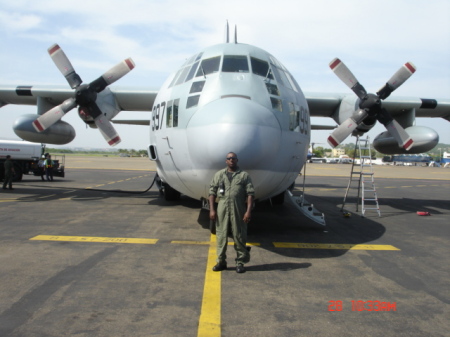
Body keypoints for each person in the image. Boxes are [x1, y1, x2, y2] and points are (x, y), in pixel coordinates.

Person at [209, 152, 255, 273]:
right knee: (221, 236)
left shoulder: (244, 176)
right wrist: (212, 209)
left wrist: (248, 212)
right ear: (226, 161)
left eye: (233, 158)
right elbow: (212, 193)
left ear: (237, 160)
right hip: (222, 207)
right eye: (229, 158)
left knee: (239, 235)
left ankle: (240, 262)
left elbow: (250, 194)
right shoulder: (219, 175)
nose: (231, 160)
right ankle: (221, 262)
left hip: (238, 208)